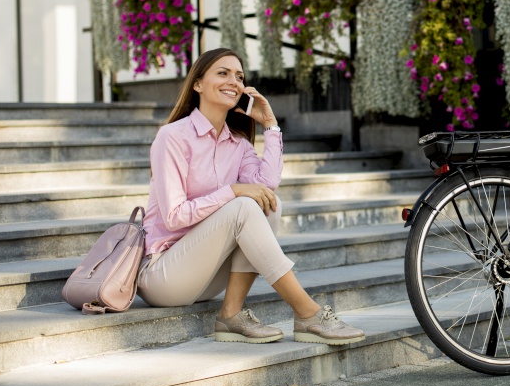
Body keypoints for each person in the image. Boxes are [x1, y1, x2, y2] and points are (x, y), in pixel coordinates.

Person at [137, 47, 364, 345]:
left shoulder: (239, 144)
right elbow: (174, 216)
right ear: (197, 84)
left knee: (268, 205)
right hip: (163, 275)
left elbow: (266, 188)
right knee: (244, 204)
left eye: (239, 76)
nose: (234, 81)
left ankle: (231, 314)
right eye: (223, 73)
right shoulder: (173, 137)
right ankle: (307, 313)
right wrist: (233, 191)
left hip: (204, 275)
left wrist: (270, 124)